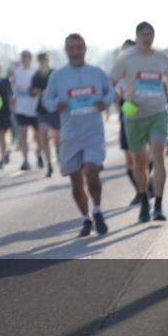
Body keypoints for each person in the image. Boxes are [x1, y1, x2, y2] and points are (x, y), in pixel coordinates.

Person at [43, 35, 115, 236]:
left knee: (92, 173)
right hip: (70, 134)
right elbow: (47, 99)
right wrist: (55, 105)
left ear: (85, 48)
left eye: (78, 47)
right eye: (71, 48)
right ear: (66, 51)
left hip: (93, 132)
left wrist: (105, 102)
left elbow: (111, 93)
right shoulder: (58, 76)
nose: (75, 51)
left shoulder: (97, 73)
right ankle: (85, 219)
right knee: (76, 181)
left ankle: (98, 211)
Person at [110, 22, 168, 223]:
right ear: (137, 36)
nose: (147, 37)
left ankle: (158, 205)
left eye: (150, 34)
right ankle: (143, 201)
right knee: (139, 162)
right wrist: (123, 103)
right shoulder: (125, 59)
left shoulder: (161, 57)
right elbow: (110, 83)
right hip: (135, 117)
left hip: (158, 112)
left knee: (158, 152)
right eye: (143, 34)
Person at [13, 50, 42, 171]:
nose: (24, 58)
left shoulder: (35, 71)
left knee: (37, 136)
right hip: (21, 109)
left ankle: (39, 154)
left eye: (26, 56)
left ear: (30, 58)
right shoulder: (17, 71)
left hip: (35, 109)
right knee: (23, 134)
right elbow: (14, 88)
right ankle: (25, 160)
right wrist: (13, 98)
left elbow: (40, 88)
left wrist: (36, 92)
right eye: (22, 56)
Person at [32, 52, 59, 177]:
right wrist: (37, 92)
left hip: (55, 109)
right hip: (42, 109)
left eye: (45, 61)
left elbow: (60, 89)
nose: (43, 63)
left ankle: (59, 154)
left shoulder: (55, 74)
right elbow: (32, 91)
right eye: (41, 61)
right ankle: (49, 165)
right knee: (43, 136)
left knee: (57, 137)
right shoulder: (36, 76)